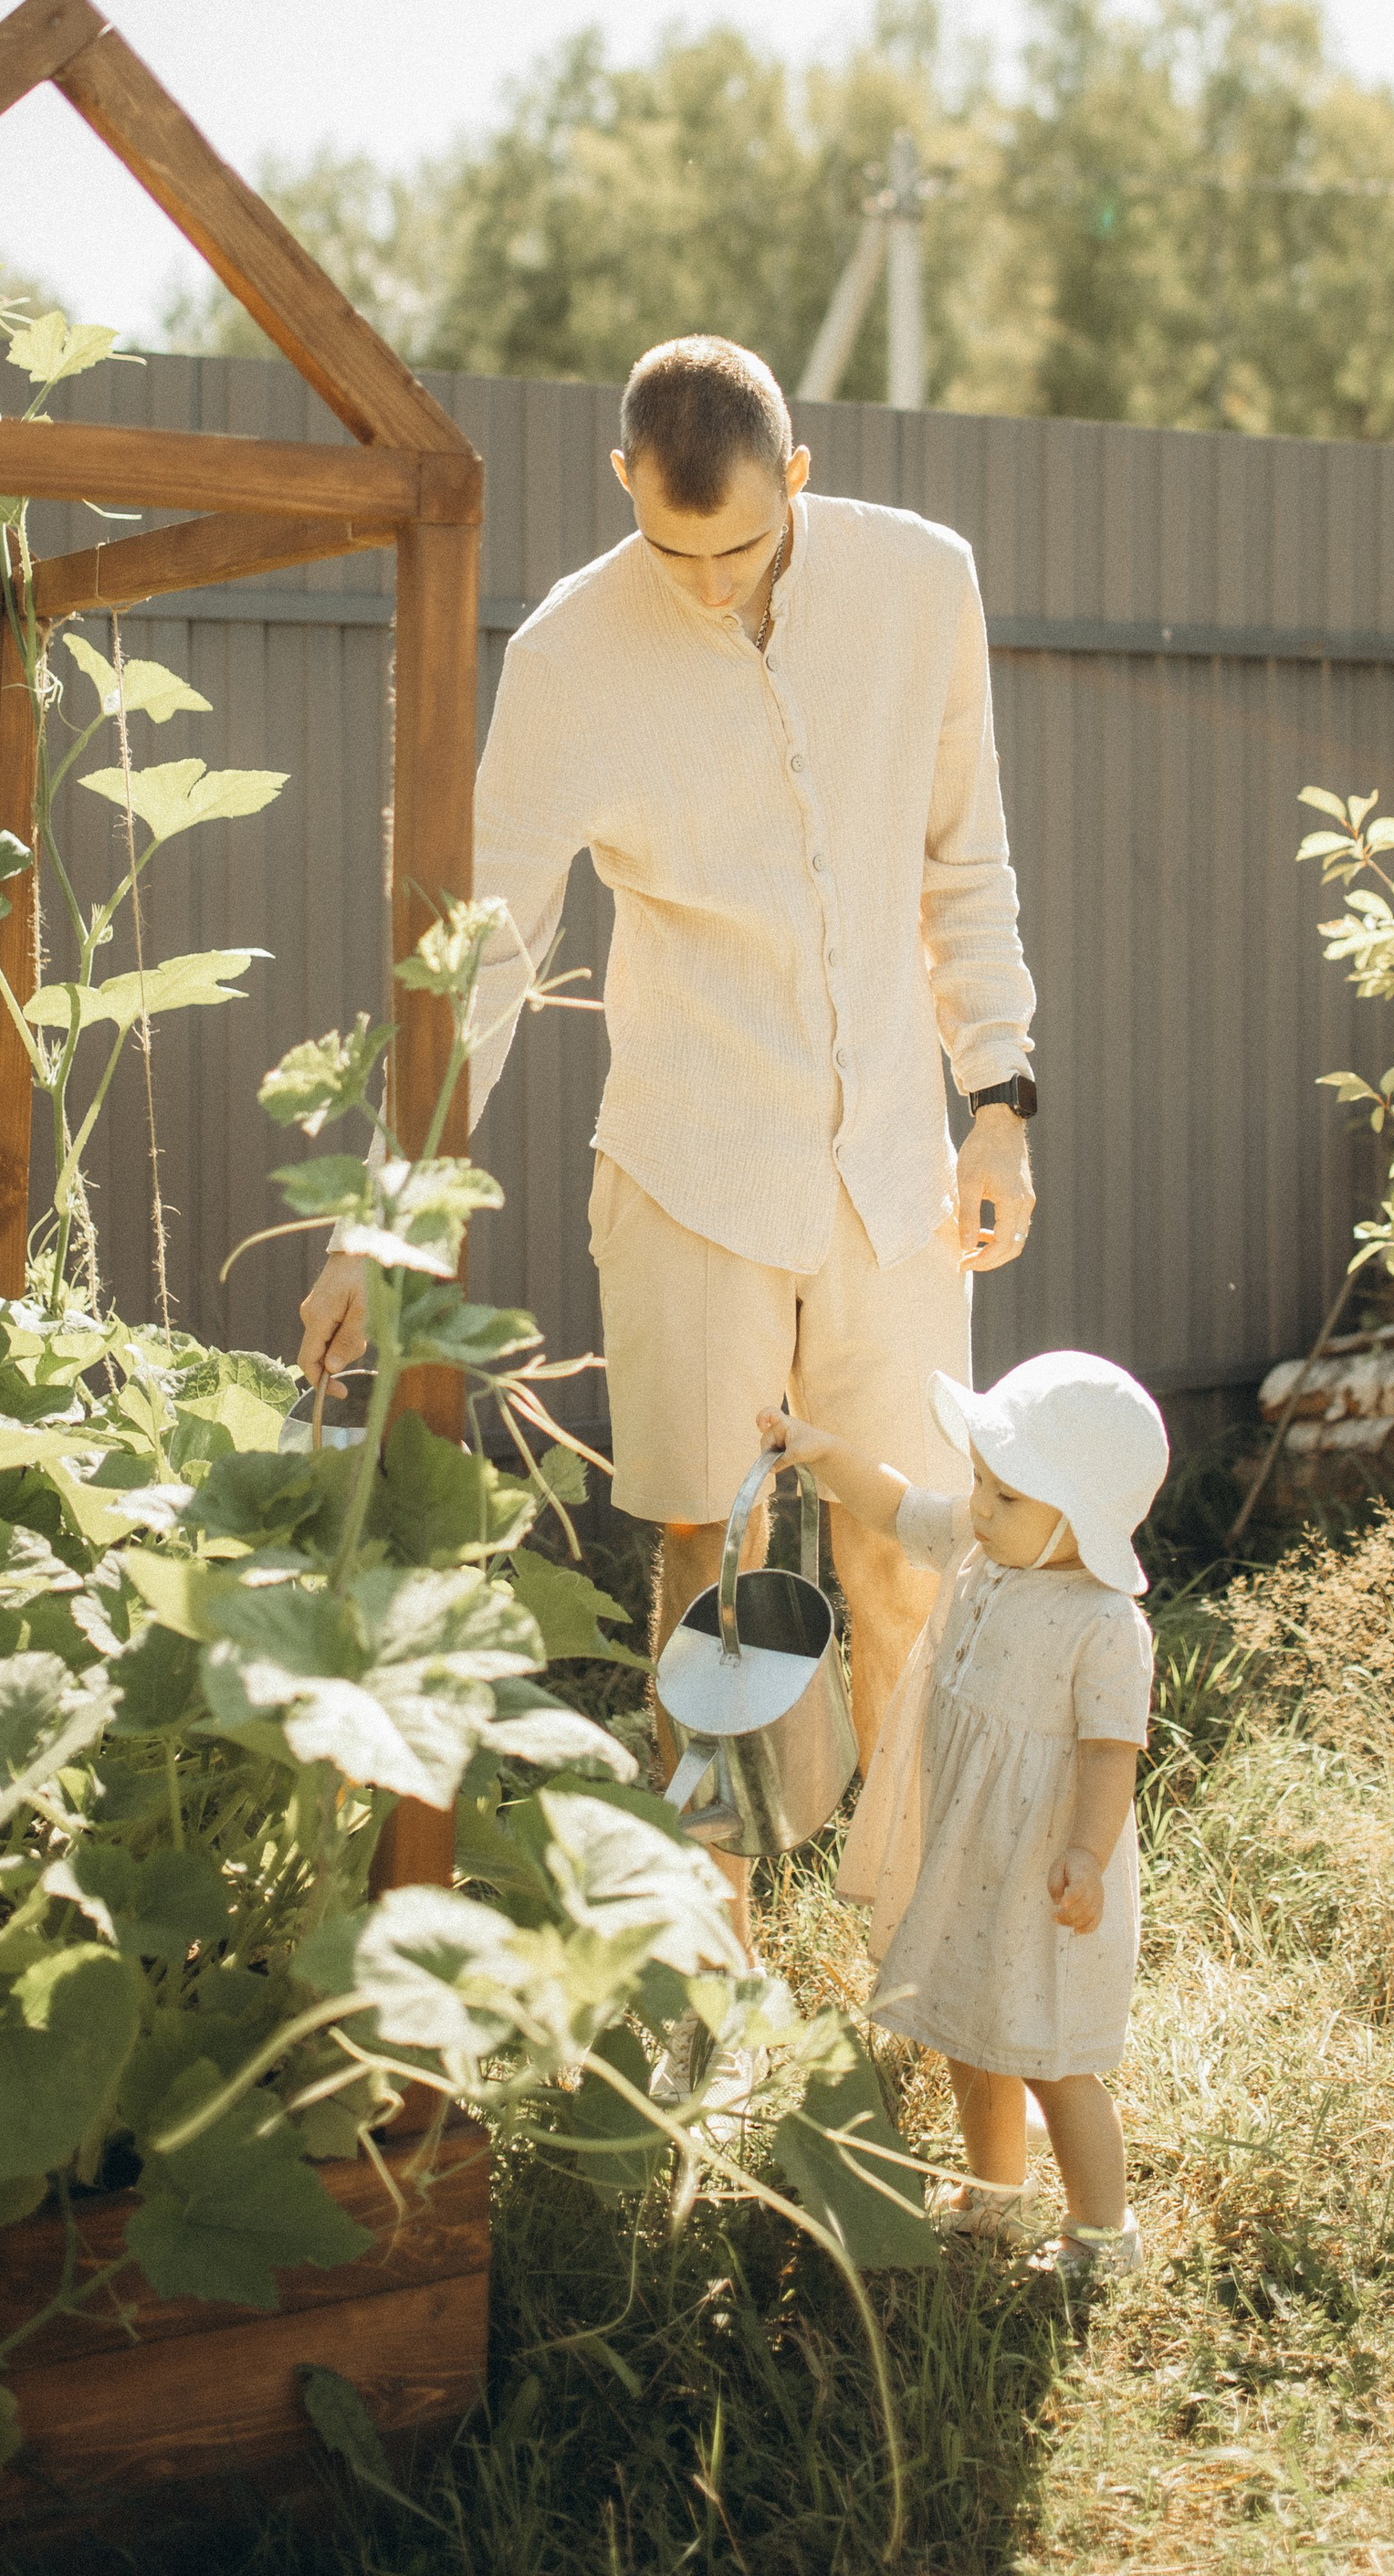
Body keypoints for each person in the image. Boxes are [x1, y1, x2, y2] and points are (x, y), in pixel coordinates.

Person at [294, 332, 1038, 1931]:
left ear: (804, 484)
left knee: (908, 1553)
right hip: (692, 1163)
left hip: (894, 1173)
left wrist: (1002, 1100)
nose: (707, 584)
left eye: (745, 547)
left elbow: (962, 864)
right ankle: (709, 1929)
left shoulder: (925, 588)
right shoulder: (567, 657)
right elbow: (483, 953)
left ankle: (902, 1926)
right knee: (706, 1559)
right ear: (624, 483)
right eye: (671, 545)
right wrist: (382, 1217)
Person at [759, 1349, 1169, 2277]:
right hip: (967, 1848)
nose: (980, 1506)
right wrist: (823, 1450)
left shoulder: (1106, 1626)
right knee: (964, 2026)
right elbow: (897, 1505)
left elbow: (1112, 1756)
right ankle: (995, 2190)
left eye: (1009, 1496)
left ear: (1083, 1518)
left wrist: (1085, 1856)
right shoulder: (981, 1550)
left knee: (1050, 2054)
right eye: (981, 1481)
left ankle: (1105, 2235)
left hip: (1041, 1870)